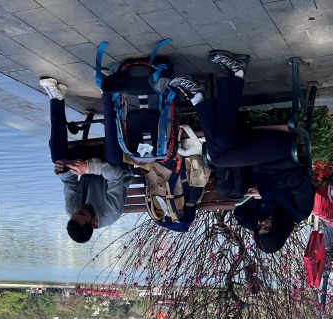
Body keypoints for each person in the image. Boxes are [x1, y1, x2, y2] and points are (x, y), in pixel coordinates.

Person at [167, 51, 315, 253]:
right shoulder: (299, 212)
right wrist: (265, 191)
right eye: (267, 228)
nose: (263, 223)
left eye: (260, 229)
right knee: (218, 155)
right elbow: (300, 177)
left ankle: (223, 80)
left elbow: (240, 214)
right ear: (279, 230)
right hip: (279, 153)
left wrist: (253, 222)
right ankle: (201, 94)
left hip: (252, 157)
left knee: (221, 140)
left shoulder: (257, 215)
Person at [40, 78, 135, 244]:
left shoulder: (71, 210)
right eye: (82, 213)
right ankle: (108, 94)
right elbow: (116, 175)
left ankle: (57, 98)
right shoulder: (111, 212)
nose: (79, 209)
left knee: (57, 157)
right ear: (93, 224)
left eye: (76, 212)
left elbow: (69, 183)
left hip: (88, 162)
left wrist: (63, 170)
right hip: (116, 164)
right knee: (113, 159)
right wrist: (88, 168)